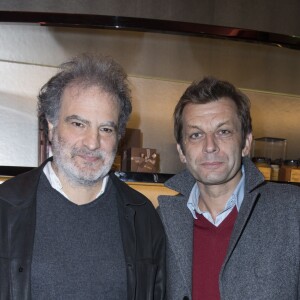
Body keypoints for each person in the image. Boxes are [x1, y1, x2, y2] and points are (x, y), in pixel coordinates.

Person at [0, 54, 166, 299]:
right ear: (51, 125)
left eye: (106, 129)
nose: (92, 143)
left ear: (119, 136)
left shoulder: (143, 217)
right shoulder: (4, 208)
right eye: (78, 124)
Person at [158, 77, 300, 300]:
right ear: (182, 152)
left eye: (223, 131)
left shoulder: (293, 212)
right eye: (196, 135)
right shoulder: (159, 223)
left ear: (245, 143)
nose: (210, 146)